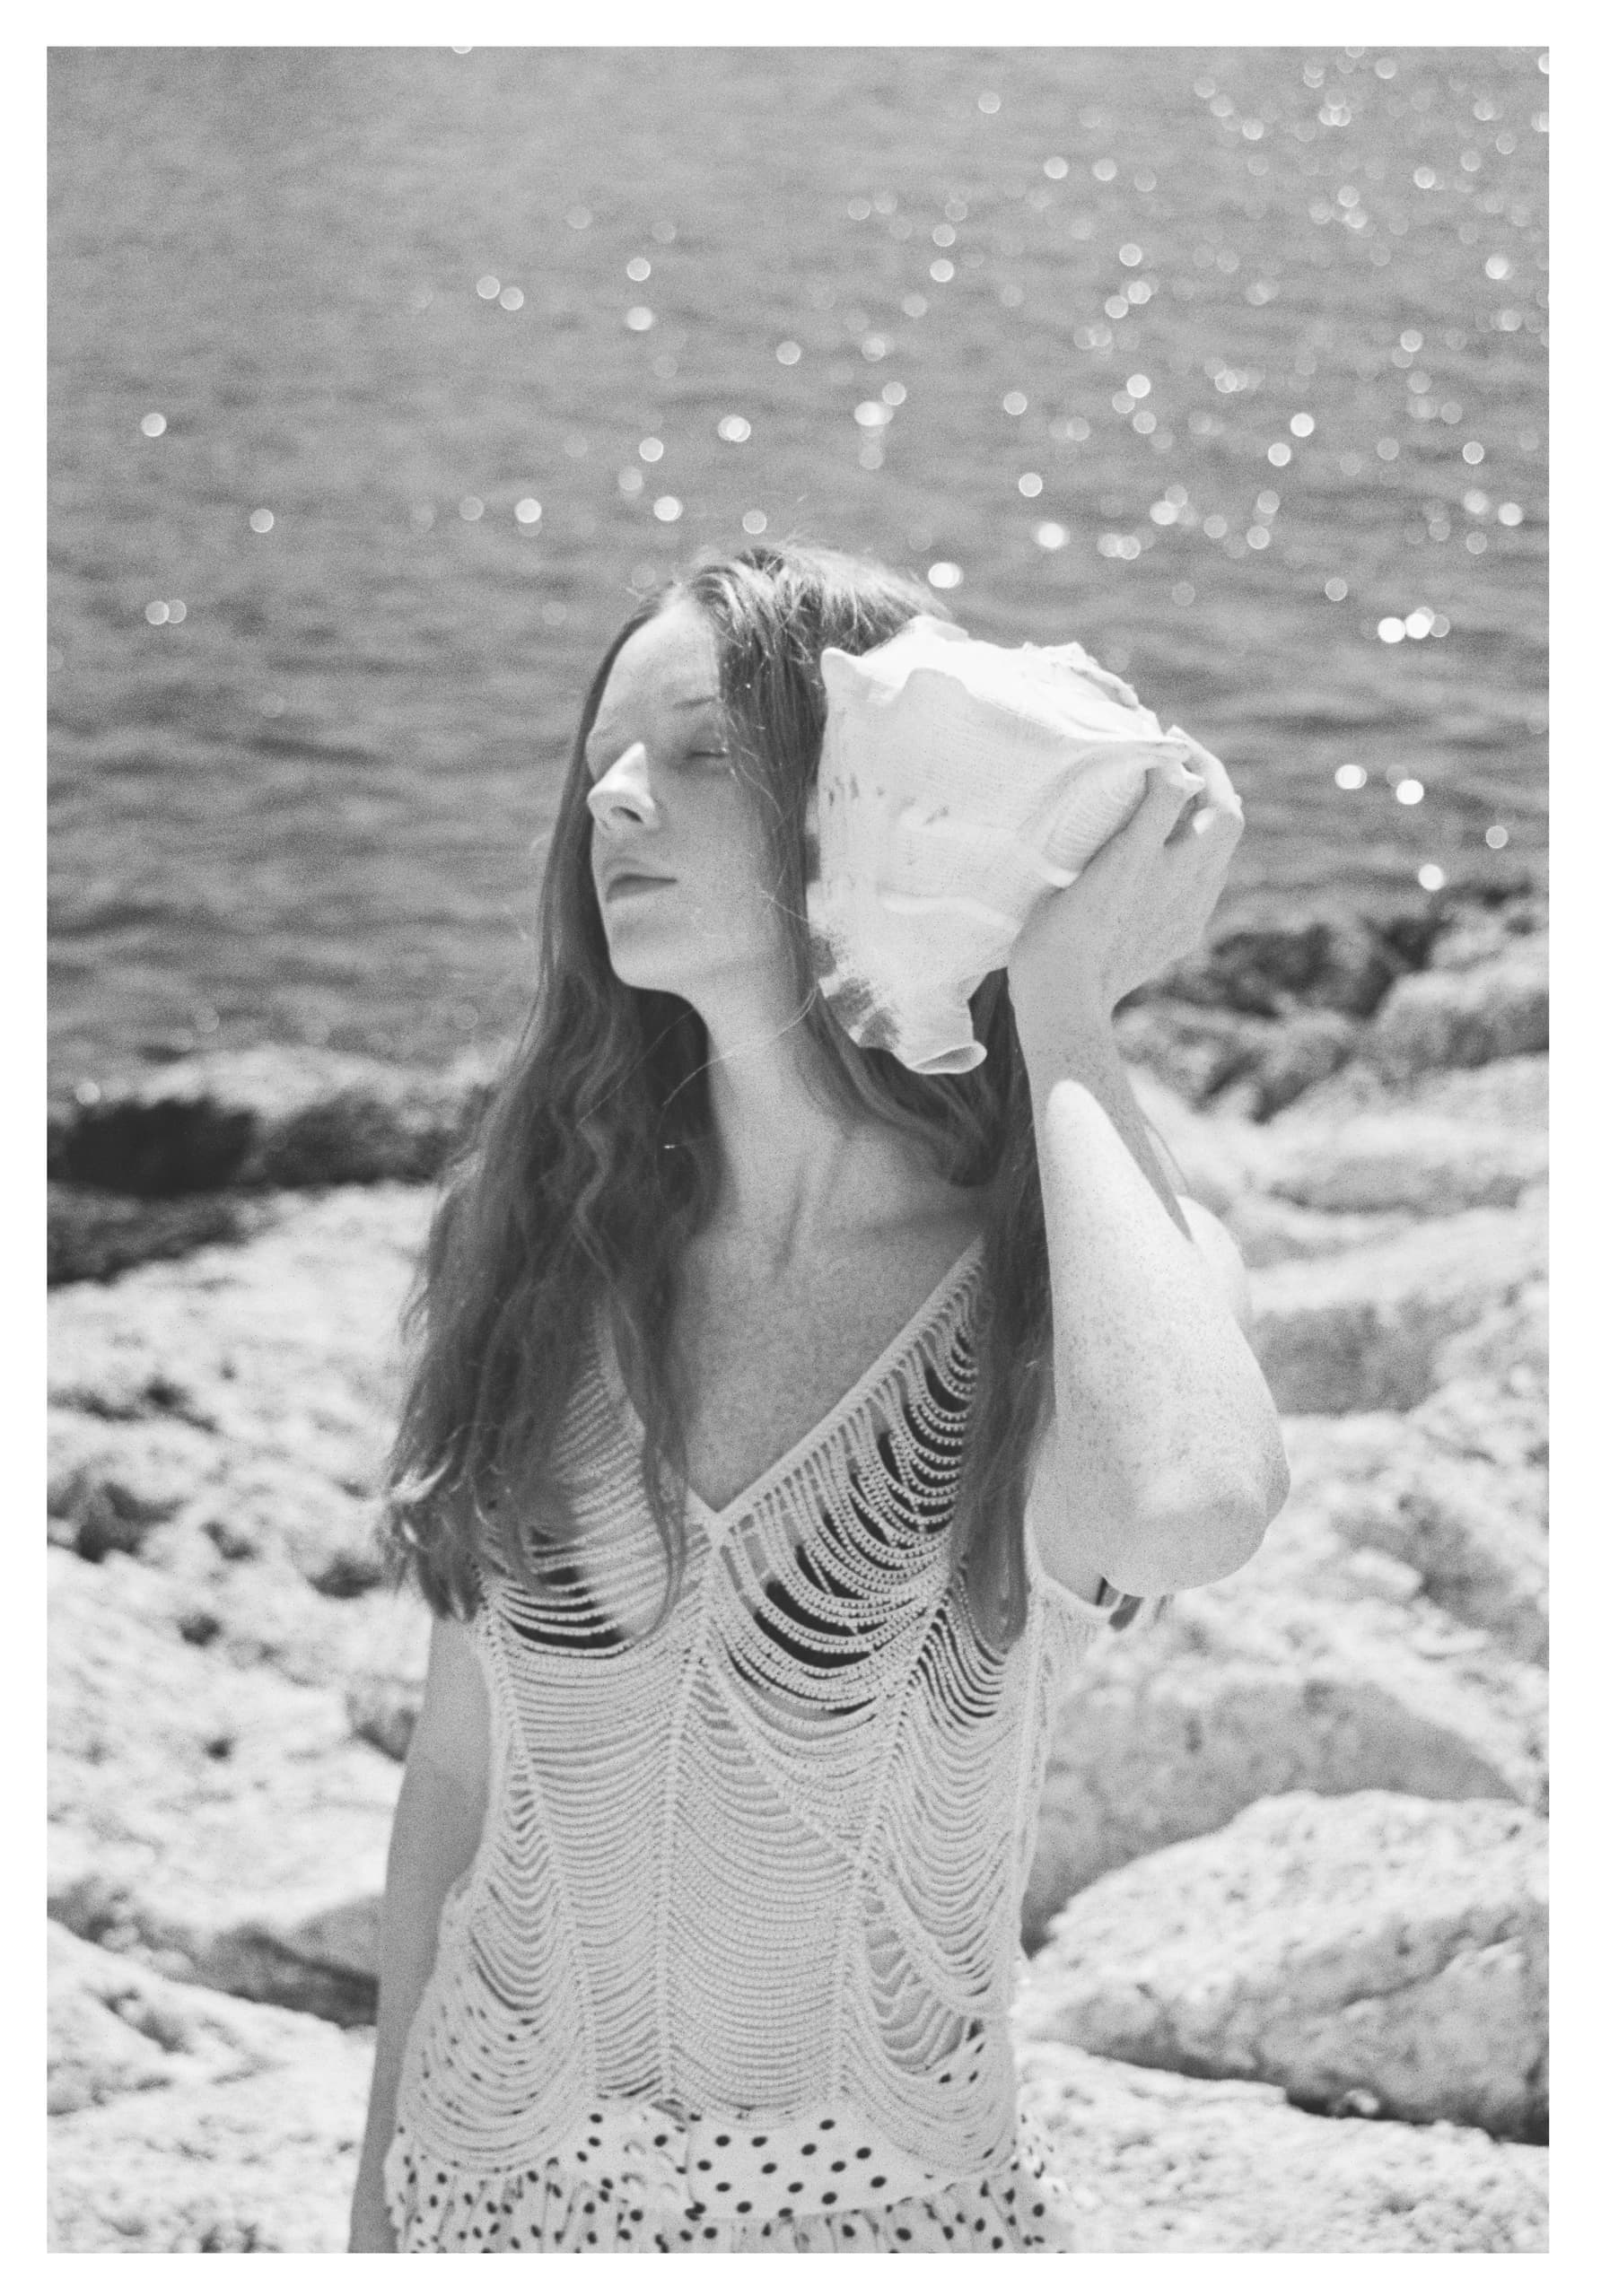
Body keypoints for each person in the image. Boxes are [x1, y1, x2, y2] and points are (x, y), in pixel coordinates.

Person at [347, 540, 1290, 2253]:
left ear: (866, 798)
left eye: (702, 752)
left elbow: (1185, 1508)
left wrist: (1062, 1006)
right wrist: (374, 2216)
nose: (615, 801)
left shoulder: (1053, 1285)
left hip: (881, 2225)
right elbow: (460, 1780)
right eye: (599, 767)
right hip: (484, 2191)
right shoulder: (553, 1241)